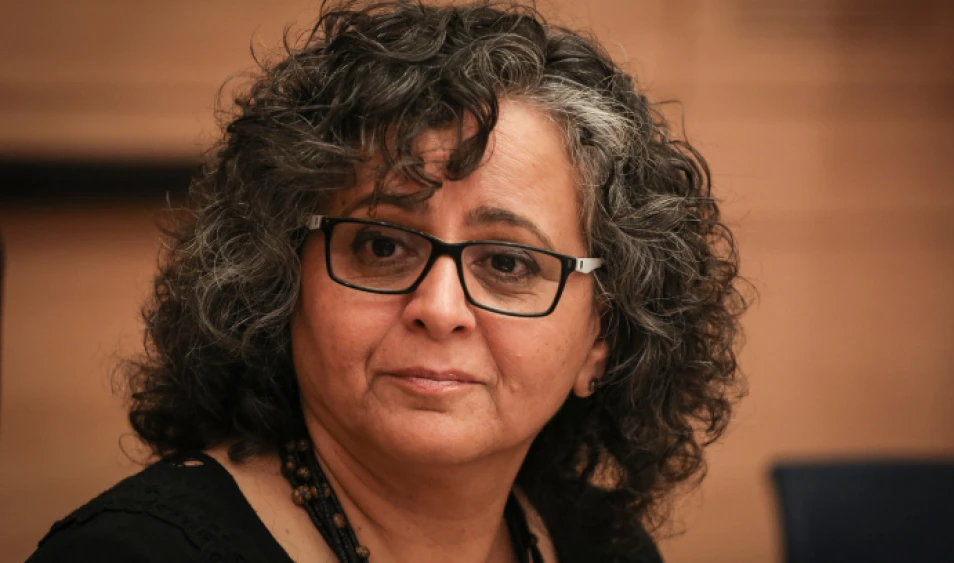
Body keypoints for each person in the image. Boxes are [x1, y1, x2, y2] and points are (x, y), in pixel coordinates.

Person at [28, 1, 747, 561]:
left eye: (507, 263)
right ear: (281, 281)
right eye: (381, 245)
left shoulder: (604, 549)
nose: (440, 307)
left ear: (602, 339)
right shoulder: (131, 556)